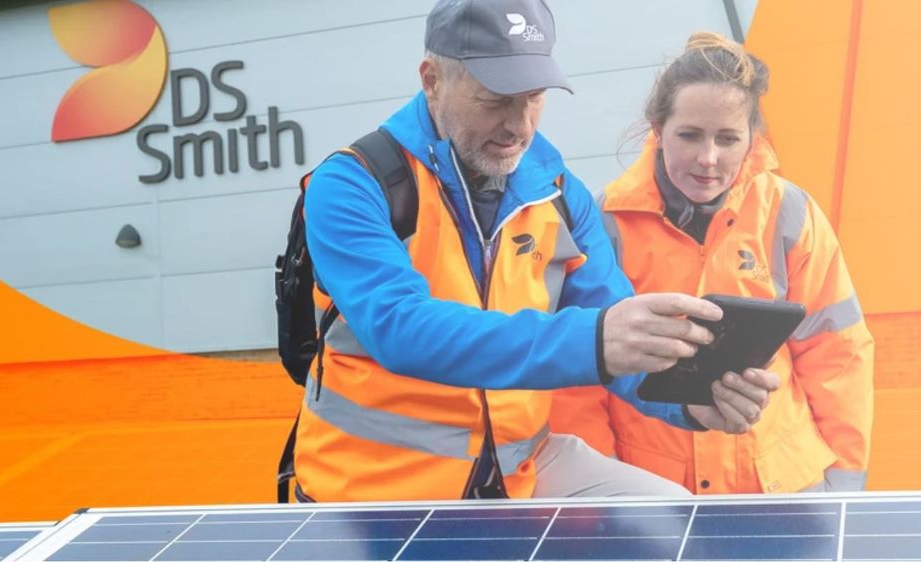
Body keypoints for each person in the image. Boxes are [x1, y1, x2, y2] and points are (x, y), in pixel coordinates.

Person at [292, 0, 781, 503]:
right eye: (495, 99)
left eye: (533, 97)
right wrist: (592, 339)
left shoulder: (558, 192)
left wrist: (689, 399)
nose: (519, 124)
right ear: (432, 79)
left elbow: (616, 329)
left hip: (517, 466)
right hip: (371, 491)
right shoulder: (352, 184)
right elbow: (399, 329)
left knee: (679, 520)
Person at [551, 32, 875, 494]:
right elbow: (579, 378)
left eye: (728, 139)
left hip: (782, 489)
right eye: (689, 136)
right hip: (656, 497)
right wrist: (601, 502)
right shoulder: (603, 225)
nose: (708, 159)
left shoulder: (789, 213)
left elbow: (839, 355)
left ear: (751, 139)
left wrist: (844, 486)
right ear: (657, 130)